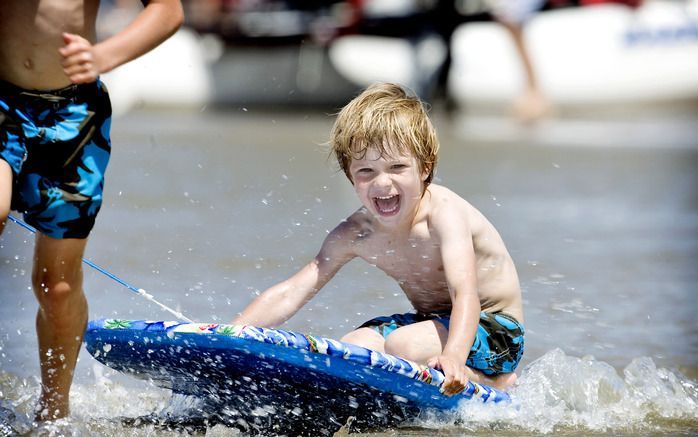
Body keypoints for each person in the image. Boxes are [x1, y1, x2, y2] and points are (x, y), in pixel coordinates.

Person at [231, 83, 525, 395]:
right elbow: (293, 291)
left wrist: (453, 356)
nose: (382, 182)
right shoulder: (357, 232)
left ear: (424, 168)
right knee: (350, 351)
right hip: (429, 322)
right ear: (350, 176)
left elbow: (464, 293)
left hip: (495, 329)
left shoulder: (444, 214)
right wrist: (232, 336)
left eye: (397, 167)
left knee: (405, 345)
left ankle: (493, 382)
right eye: (366, 171)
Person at [0, 0, 184, 421]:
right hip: (2, 102)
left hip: (75, 116)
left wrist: (104, 54)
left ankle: (53, 410)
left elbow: (168, 10)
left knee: (56, 286)